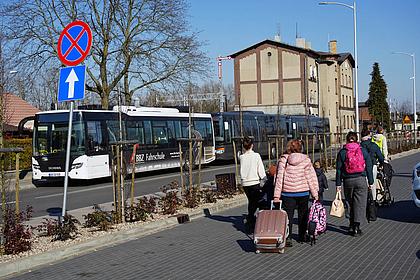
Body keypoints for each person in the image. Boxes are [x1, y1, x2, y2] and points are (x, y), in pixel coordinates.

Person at [273, 139, 319, 247]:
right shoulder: (305, 160)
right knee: (303, 214)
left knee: (288, 215)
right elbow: (310, 177)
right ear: (300, 148)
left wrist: (276, 195)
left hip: (287, 193)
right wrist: (315, 193)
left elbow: (279, 178)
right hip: (303, 192)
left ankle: (288, 237)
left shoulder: (283, 160)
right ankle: (302, 235)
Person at [336, 131, 374, 237]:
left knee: (349, 202)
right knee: (359, 204)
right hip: (361, 180)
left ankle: (351, 226)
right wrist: (371, 182)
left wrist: (338, 184)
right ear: (356, 139)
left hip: (347, 181)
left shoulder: (343, 152)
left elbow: (338, 169)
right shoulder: (363, 151)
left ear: (347, 139)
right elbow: (369, 167)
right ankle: (357, 228)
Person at [240, 136, 266, 232]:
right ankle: (250, 219)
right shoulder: (256, 156)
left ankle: (251, 220)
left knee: (251, 201)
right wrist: (264, 179)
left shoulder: (241, 157)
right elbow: (260, 169)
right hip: (254, 181)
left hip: (245, 183)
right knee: (254, 202)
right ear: (252, 145)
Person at [360, 128, 384, 200]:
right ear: (368, 135)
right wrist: (382, 164)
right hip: (373, 165)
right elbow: (380, 156)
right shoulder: (373, 145)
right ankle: (373, 199)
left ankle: (365, 199)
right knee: (372, 183)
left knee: (364, 184)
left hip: (362, 167)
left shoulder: (359, 146)